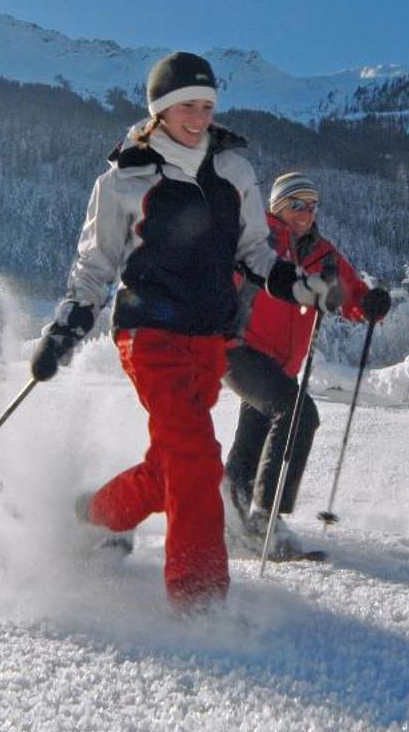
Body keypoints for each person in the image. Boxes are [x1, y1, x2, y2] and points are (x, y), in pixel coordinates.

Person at [28, 52, 331, 610]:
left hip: (209, 341)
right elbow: (96, 264)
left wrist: (292, 283)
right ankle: (199, 600)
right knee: (196, 458)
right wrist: (66, 327)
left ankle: (93, 516)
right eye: (187, 105)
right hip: (149, 335)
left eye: (208, 105)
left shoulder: (233, 170)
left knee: (172, 463)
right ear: (160, 109)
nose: (199, 116)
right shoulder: (124, 179)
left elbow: (254, 252)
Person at [220, 172, 390, 558]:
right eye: (297, 204)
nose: (306, 212)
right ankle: (265, 516)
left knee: (255, 432)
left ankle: (231, 515)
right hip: (238, 348)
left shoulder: (323, 254)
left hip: (280, 364)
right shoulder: (256, 240)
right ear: (277, 206)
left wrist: (369, 306)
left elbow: (352, 296)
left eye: (312, 205)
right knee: (298, 414)